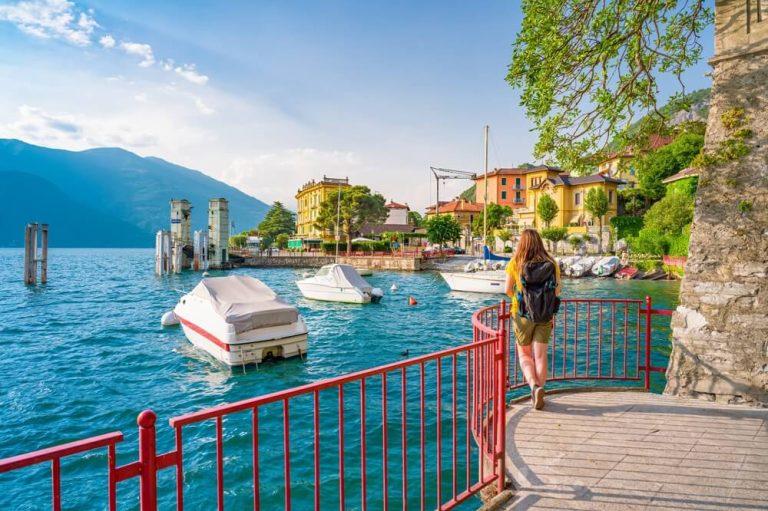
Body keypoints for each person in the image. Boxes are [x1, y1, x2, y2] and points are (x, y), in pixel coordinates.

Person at [505, 229, 561, 410]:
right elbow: (557, 291)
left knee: (524, 355)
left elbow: (508, 289)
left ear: (521, 243)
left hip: (522, 315)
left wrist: (522, 298)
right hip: (545, 314)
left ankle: (534, 387)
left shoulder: (516, 262)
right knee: (540, 355)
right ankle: (540, 390)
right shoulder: (551, 263)